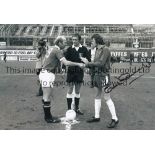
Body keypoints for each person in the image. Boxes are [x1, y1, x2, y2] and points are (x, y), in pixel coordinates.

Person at [39, 36, 85, 123]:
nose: (66, 44)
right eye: (64, 42)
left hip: (45, 73)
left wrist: (60, 73)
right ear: (59, 43)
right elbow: (66, 63)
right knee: (47, 97)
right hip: (47, 74)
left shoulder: (53, 49)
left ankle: (48, 116)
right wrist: (78, 64)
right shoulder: (57, 50)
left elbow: (53, 61)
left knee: (46, 96)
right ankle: (48, 118)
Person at [81, 34, 119, 128]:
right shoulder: (97, 50)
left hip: (104, 76)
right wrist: (88, 68)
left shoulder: (105, 49)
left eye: (92, 41)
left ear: (97, 41)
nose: (91, 43)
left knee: (107, 97)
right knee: (97, 95)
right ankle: (97, 116)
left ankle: (115, 118)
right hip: (98, 76)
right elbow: (95, 65)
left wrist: (87, 63)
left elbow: (101, 63)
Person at [64, 33, 91, 115]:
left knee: (77, 91)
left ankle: (77, 108)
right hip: (71, 72)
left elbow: (88, 60)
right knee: (70, 90)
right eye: (73, 39)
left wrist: (85, 66)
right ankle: (69, 109)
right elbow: (65, 61)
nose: (74, 41)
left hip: (79, 72)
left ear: (79, 40)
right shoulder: (69, 49)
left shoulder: (84, 49)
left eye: (75, 39)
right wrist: (63, 69)